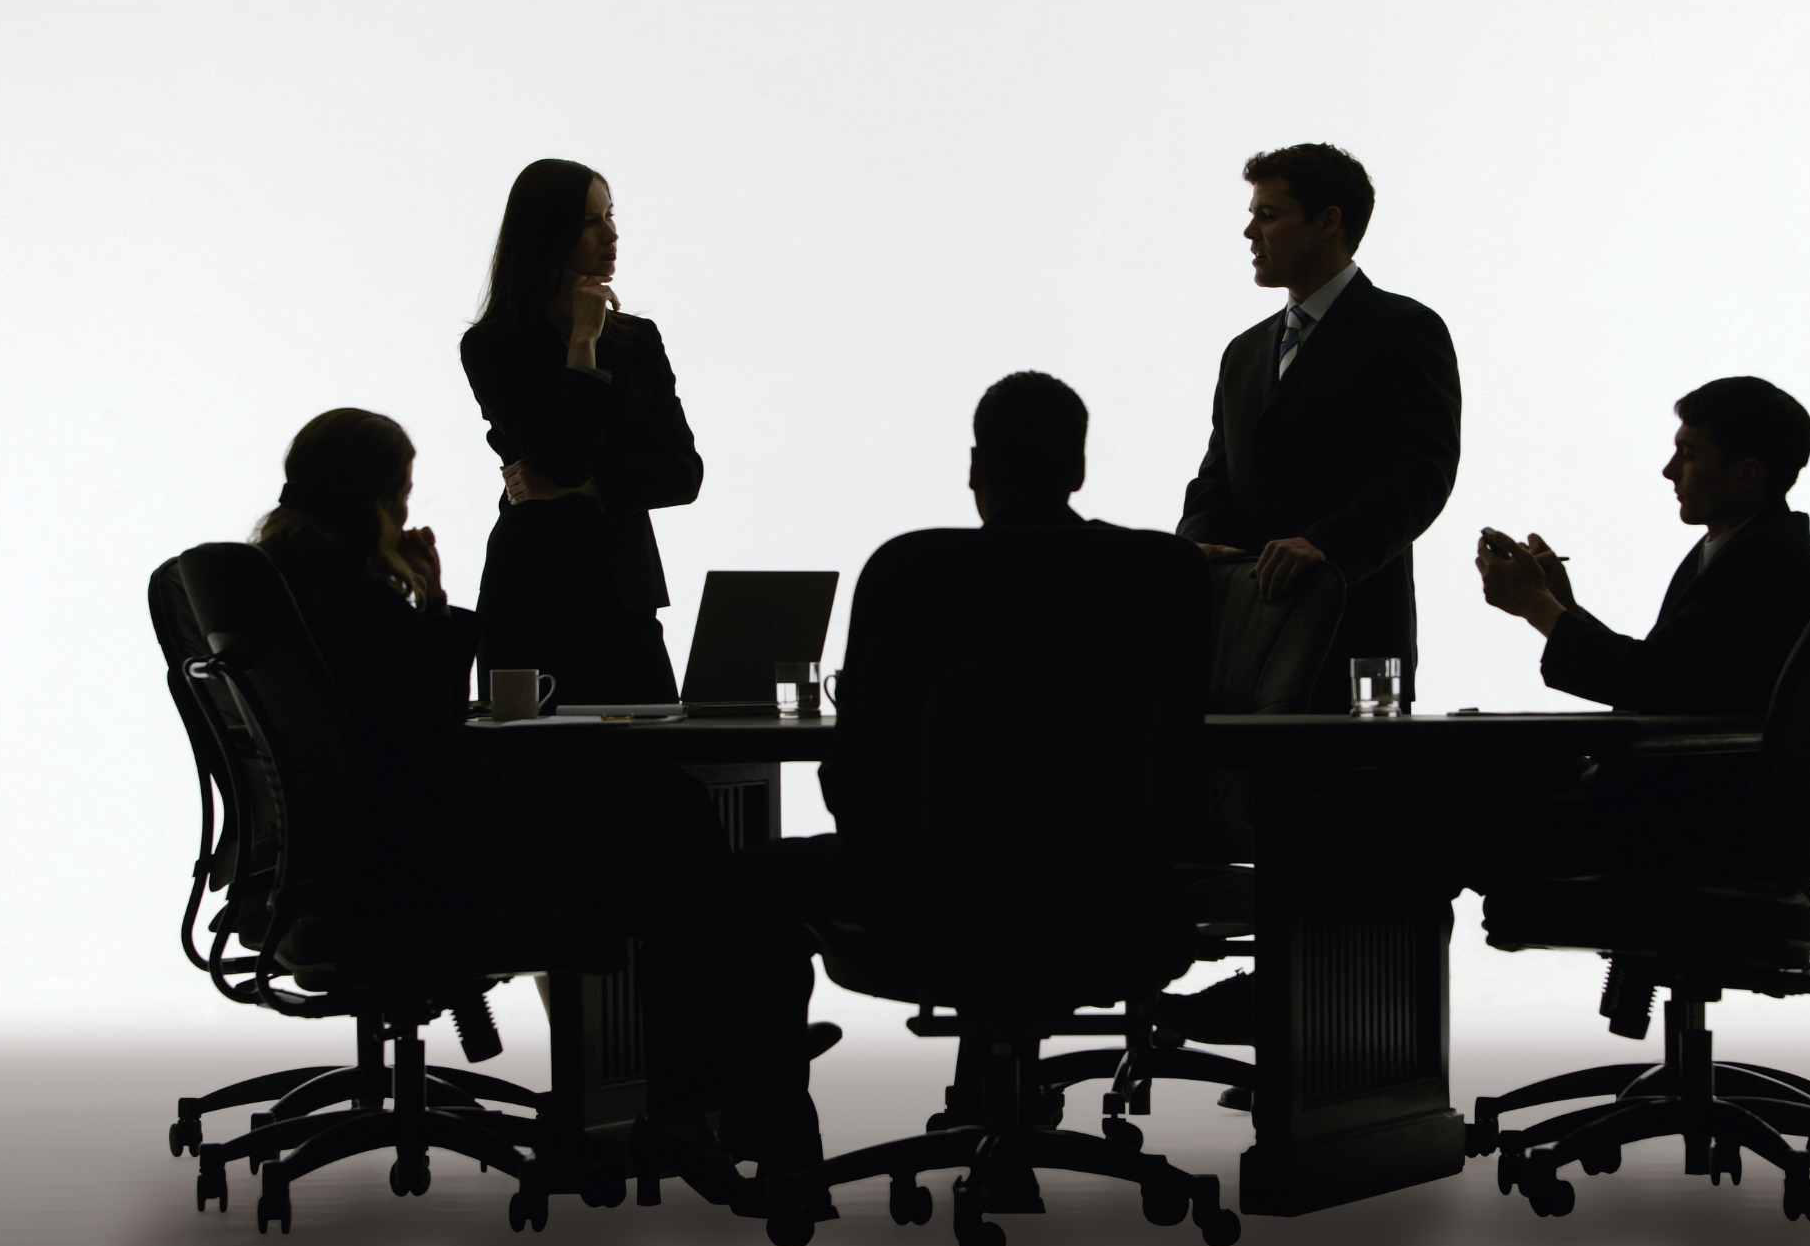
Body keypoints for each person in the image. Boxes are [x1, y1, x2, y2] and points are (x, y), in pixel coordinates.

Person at [721, 373, 1203, 1177]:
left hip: (920, 899)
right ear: (1078, 468)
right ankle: (992, 1101)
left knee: (744, 884)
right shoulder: (1160, 575)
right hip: (1113, 901)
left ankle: (776, 1149)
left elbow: (858, 787)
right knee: (1009, 872)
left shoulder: (912, 573)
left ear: (976, 466)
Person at [252, 409, 735, 1127]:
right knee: (673, 810)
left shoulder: (289, 596)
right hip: (415, 866)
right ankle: (708, 1076)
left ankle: (697, 1072)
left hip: (348, 867)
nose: (406, 512)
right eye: (401, 493)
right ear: (375, 500)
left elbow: (412, 736)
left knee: (647, 810)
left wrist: (428, 604)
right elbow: (434, 755)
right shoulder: (363, 609)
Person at [1177, 143, 1461, 708]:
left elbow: (1421, 474)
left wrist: (1326, 546)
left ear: (1328, 221)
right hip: (1245, 646)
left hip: (1362, 643)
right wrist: (1195, 548)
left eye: (1268, 214)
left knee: (1360, 766)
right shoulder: (1243, 353)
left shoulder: (1406, 329)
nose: (1249, 233)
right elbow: (1215, 477)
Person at [461, 158, 702, 705]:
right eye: (590, 222)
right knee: (537, 757)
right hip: (532, 596)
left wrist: (589, 487)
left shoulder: (638, 339)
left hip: (626, 596)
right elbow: (564, 457)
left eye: (610, 216)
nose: (611, 235)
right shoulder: (494, 346)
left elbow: (683, 474)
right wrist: (583, 345)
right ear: (547, 234)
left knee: (659, 752)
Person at [1476, 376, 1810, 715]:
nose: (1669, 470)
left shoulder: (1768, 563)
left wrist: (1535, 603)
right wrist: (1561, 606)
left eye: (1688, 454)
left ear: (1746, 475)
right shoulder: (1750, 548)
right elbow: (1668, 669)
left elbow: (1651, 683)